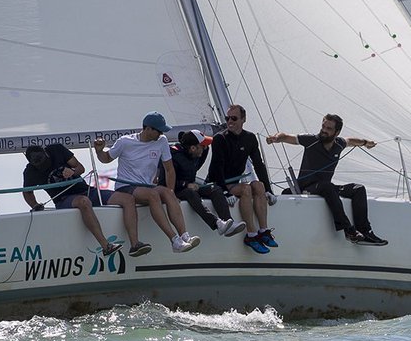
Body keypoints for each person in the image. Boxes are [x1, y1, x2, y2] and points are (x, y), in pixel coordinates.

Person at [266, 114, 387, 246]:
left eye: (328, 128)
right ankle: (349, 230)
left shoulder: (339, 144)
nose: (324, 130)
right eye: (323, 126)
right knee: (327, 186)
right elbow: (287, 137)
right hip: (307, 187)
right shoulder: (311, 140)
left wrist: (366, 143)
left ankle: (365, 231)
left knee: (358, 189)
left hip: (325, 188)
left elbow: (351, 141)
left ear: (337, 132)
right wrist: (276, 138)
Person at [93, 112, 198, 256]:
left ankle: (185, 236)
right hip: (126, 187)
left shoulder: (161, 141)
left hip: (147, 187)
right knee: (153, 194)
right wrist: (99, 150)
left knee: (167, 192)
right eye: (159, 130)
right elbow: (106, 159)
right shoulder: (125, 141)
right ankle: (174, 241)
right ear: (148, 129)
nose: (161, 133)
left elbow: (169, 169)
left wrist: (172, 194)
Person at [22, 143, 122, 257]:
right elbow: (27, 192)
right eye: (38, 165)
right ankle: (106, 246)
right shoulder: (30, 171)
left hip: (86, 190)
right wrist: (35, 205)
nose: (43, 166)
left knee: (126, 199)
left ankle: (136, 245)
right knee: (83, 202)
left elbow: (81, 168)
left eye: (44, 162)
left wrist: (73, 172)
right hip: (63, 200)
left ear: (46, 153)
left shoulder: (56, 149)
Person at [208, 104, 277, 254]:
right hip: (219, 184)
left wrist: (269, 190)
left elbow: (258, 164)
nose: (230, 121)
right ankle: (251, 235)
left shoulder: (250, 138)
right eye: (227, 118)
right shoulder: (220, 139)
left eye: (234, 118)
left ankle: (264, 231)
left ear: (243, 119)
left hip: (235, 182)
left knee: (259, 186)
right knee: (246, 189)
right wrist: (225, 192)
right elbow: (217, 167)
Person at [165, 130, 247, 238]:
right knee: (190, 193)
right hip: (174, 189)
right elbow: (165, 178)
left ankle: (228, 222)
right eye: (202, 146)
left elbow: (203, 153)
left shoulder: (198, 152)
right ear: (193, 148)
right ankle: (217, 223)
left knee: (215, 188)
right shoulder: (174, 155)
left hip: (191, 186)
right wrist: (185, 185)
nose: (204, 149)